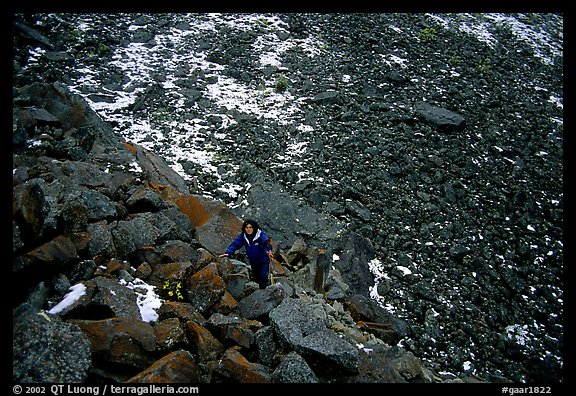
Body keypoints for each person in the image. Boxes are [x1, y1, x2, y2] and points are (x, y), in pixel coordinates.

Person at [219, 219, 273, 289]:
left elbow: (266, 243)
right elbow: (235, 244)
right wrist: (228, 253)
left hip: (263, 260)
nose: (248, 229)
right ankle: (258, 291)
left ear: (254, 228)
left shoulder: (260, 235)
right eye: (246, 227)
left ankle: (264, 290)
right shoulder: (243, 236)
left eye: (250, 227)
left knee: (263, 276)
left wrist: (269, 251)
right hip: (253, 261)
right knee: (256, 277)